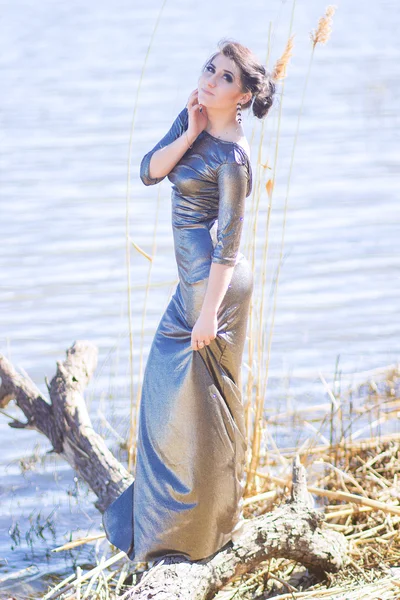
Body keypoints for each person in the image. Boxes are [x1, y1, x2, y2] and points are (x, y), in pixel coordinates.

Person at [102, 38, 276, 565]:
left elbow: (229, 245)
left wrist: (206, 314)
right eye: (210, 68)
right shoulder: (194, 120)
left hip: (213, 286)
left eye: (226, 78)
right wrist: (192, 128)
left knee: (209, 403)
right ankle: (184, 525)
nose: (211, 80)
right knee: (179, 399)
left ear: (243, 96)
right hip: (192, 284)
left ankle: (205, 529)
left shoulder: (236, 160)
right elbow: (149, 172)